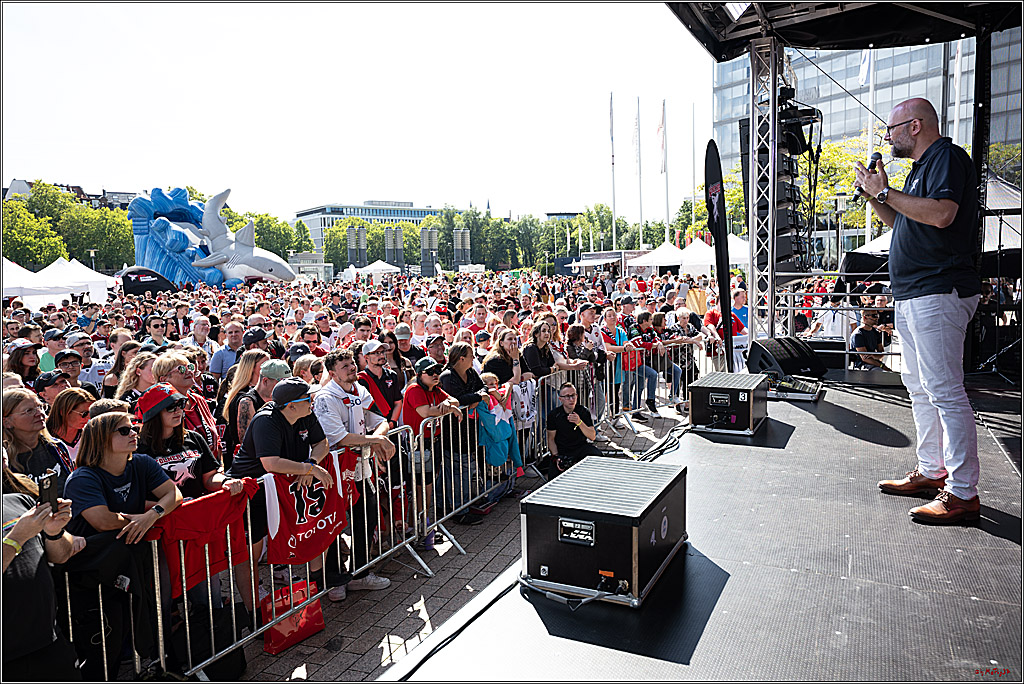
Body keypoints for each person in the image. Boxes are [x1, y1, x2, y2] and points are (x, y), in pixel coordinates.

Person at [860, 98, 983, 523]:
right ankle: (932, 471)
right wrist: (876, 198)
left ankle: (963, 492)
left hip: (938, 289)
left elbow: (943, 215)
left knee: (945, 391)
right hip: (915, 292)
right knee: (919, 386)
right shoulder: (918, 172)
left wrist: (887, 192)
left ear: (914, 126)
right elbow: (903, 223)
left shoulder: (946, 157)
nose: (887, 137)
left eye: (890, 129)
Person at [226, 377, 334, 616]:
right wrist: (309, 469)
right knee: (251, 552)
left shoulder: (305, 412)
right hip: (251, 490)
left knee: (311, 529)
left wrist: (310, 463)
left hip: (284, 487)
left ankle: (318, 585)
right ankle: (254, 612)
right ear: (291, 405)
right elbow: (271, 463)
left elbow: (321, 443)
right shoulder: (266, 421)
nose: (313, 401)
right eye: (308, 398)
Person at [312, 349, 396, 601]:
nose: (351, 368)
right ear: (332, 373)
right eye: (344, 366)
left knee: (366, 517)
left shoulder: (359, 389)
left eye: (351, 363)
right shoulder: (325, 397)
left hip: (361, 466)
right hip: (334, 470)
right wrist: (377, 440)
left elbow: (379, 419)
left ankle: (360, 574)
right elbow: (339, 437)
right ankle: (334, 579)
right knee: (334, 524)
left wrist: (379, 436)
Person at [3, 474, 83, 681]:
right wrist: (17, 537)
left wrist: (54, 532)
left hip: (49, 642)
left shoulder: (19, 500)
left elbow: (61, 555)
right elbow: (18, 538)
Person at [134, 383, 244, 501]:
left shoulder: (194, 438)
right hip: (164, 517)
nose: (178, 410)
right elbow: (136, 498)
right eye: (171, 407)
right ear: (153, 413)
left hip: (195, 512)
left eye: (181, 404)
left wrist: (225, 481)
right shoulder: (137, 448)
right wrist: (169, 506)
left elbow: (209, 477)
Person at [152, 352, 223, 463]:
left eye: (189, 367)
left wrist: (218, 468)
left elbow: (216, 440)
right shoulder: (160, 407)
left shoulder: (198, 400)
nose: (190, 371)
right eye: (181, 369)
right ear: (163, 379)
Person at [3, 388, 75, 492]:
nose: (40, 413)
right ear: (7, 422)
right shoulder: (4, 460)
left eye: (40, 407)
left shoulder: (56, 447)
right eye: (29, 411)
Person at [221, 349, 273, 467]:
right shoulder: (244, 398)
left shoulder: (260, 393)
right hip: (249, 466)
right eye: (265, 365)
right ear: (251, 368)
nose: (270, 368)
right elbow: (247, 441)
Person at [545, 382, 601, 479]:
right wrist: (556, 456)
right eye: (567, 397)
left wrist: (579, 422)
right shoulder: (554, 415)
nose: (571, 399)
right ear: (560, 399)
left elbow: (592, 436)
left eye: (573, 395)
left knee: (598, 457)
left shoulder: (583, 411)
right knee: (553, 477)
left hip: (581, 447)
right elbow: (551, 439)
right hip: (563, 450)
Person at [45, 387, 94, 465]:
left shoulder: (90, 433)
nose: (89, 418)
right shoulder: (43, 435)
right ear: (63, 412)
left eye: (90, 413)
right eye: (84, 414)